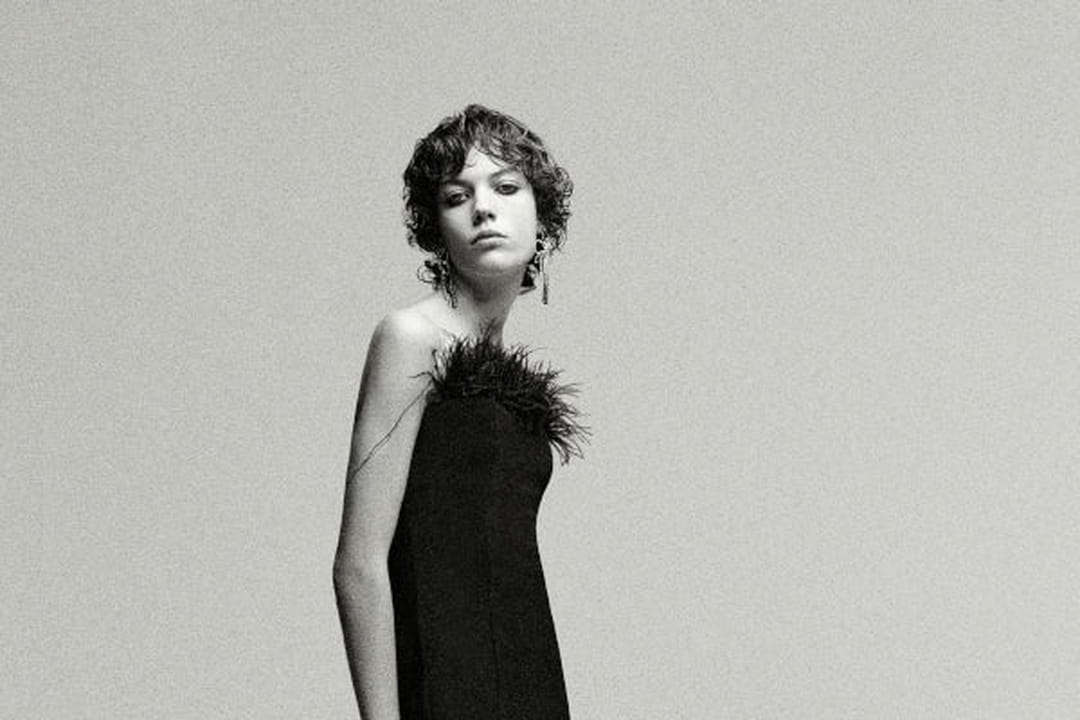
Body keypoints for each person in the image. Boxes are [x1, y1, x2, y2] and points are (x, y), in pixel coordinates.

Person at [333, 104, 587, 720]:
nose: (483, 209)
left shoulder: (503, 373)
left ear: (542, 217)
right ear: (435, 228)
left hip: (530, 681)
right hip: (450, 687)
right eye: (456, 196)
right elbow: (359, 563)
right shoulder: (411, 338)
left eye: (506, 188)